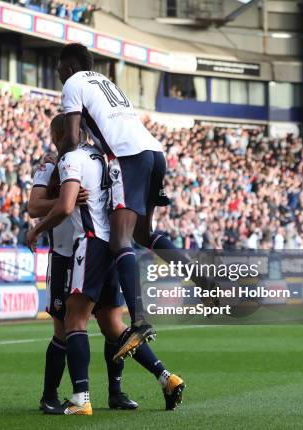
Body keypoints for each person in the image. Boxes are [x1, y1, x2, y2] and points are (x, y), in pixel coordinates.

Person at [56, 43, 217, 362]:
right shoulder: (103, 81)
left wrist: (56, 164)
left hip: (128, 156)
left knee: (119, 240)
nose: (58, 74)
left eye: (60, 68)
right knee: (144, 234)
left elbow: (73, 138)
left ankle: (140, 320)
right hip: (154, 153)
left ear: (70, 67)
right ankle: (202, 279)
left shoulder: (73, 84)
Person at [26, 126, 184, 415]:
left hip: (82, 249)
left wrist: (58, 209)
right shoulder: (91, 160)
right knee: (111, 328)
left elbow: (58, 207)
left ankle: (76, 397)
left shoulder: (71, 160)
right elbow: (36, 204)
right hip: (96, 247)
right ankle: (163, 378)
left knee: (70, 325)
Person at [29, 115, 139, 413]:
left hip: (92, 248)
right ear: (58, 136)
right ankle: (49, 396)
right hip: (64, 254)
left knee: (109, 323)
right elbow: (33, 207)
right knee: (63, 328)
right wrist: (67, 200)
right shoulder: (51, 164)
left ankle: (114, 392)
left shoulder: (92, 159)